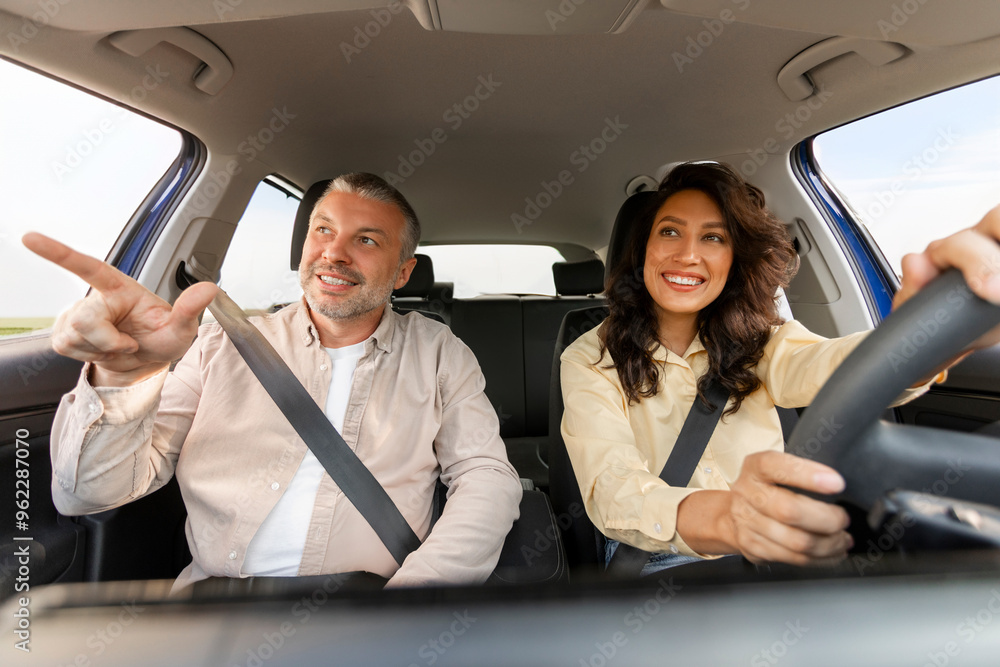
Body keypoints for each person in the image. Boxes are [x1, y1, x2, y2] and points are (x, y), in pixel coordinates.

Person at [24, 172, 522, 589]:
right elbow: (84, 496)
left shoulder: (439, 353)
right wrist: (124, 378)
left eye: (366, 240)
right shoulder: (223, 345)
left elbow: (486, 478)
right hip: (217, 610)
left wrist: (412, 601)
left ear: (402, 272)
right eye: (323, 231)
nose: (335, 253)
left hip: (371, 607)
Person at [560, 161, 1000, 572]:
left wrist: (932, 331)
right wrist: (733, 519)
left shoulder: (765, 340)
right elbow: (612, 490)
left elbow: (830, 365)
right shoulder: (590, 358)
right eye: (670, 232)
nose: (688, 255)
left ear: (734, 262)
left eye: (713, 237)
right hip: (661, 557)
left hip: (776, 547)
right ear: (644, 251)